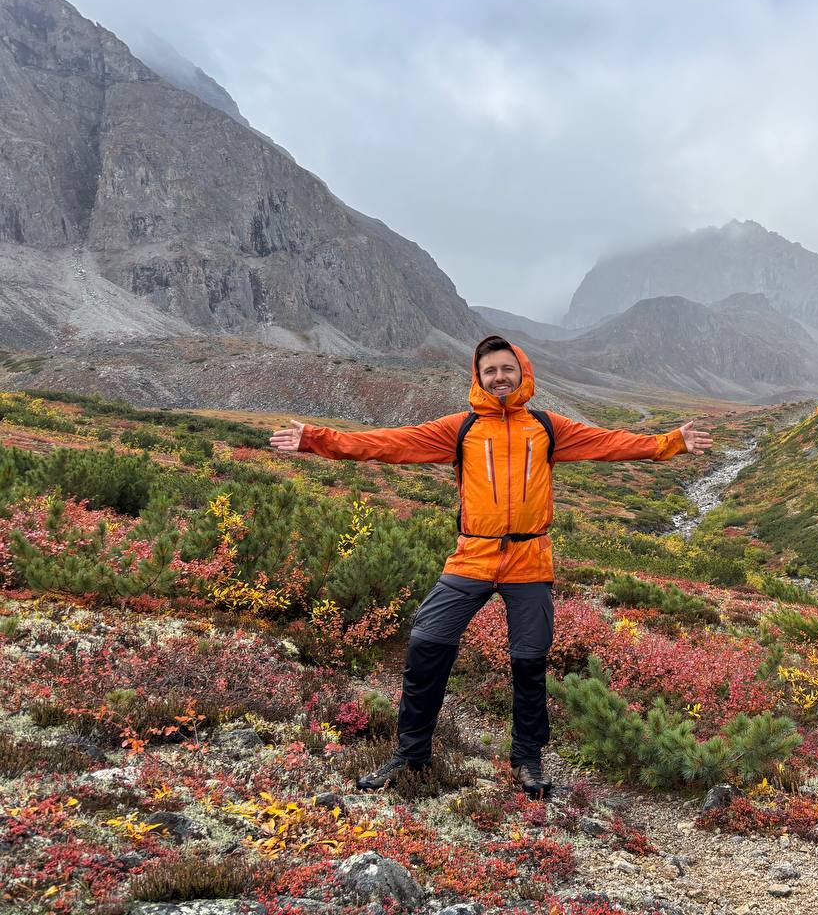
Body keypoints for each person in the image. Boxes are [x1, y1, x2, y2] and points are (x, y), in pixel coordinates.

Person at [269, 335, 711, 797]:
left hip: (529, 559)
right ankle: (411, 754)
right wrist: (315, 439)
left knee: (529, 660)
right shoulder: (460, 428)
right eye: (490, 371)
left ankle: (528, 759)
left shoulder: (547, 427)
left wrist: (672, 442)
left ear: (522, 373)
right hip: (472, 556)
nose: (500, 377)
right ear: (478, 378)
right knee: (426, 644)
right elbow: (390, 443)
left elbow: (610, 443)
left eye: (507, 369)